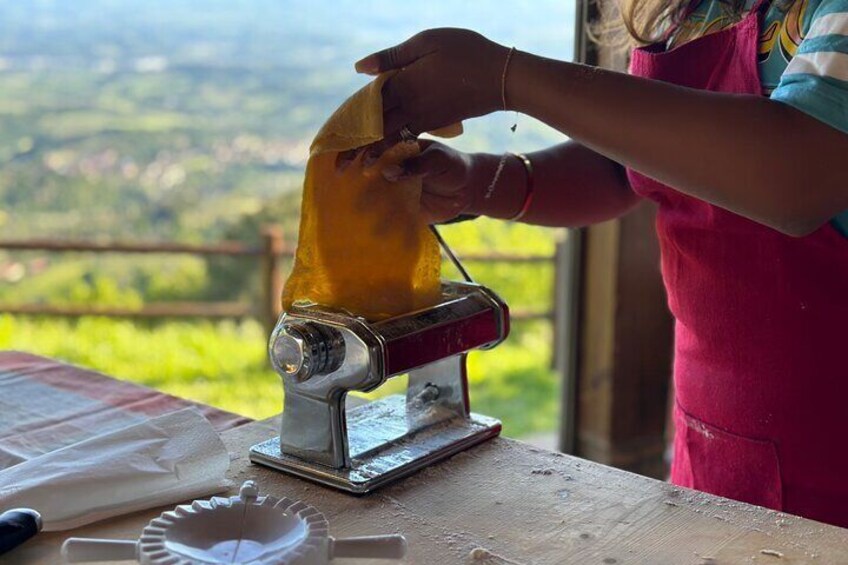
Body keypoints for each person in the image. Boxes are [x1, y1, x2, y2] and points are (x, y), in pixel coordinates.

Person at [341, 0, 848, 528]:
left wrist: (503, 77)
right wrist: (477, 180)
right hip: (718, 456)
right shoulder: (699, 8)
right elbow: (628, 163)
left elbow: (794, 173)